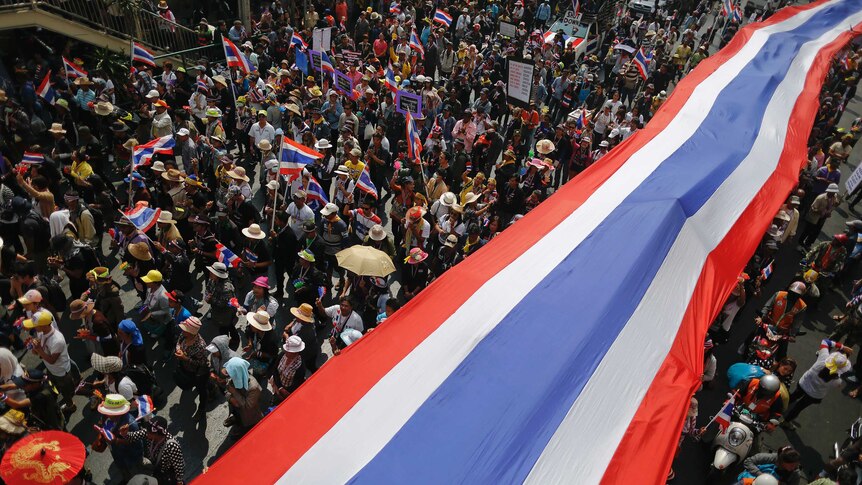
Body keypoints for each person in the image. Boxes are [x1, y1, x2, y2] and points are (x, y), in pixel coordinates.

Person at [781, 339, 853, 428]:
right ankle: (786, 422)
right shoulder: (837, 381)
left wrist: (843, 347)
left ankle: (780, 407)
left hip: (804, 383)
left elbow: (825, 342)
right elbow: (837, 384)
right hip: (814, 395)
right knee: (799, 407)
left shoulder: (824, 357)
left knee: (794, 396)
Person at [23, 311, 77, 414]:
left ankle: (70, 406)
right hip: (51, 369)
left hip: (61, 372)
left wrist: (39, 349)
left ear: (43, 325)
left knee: (66, 393)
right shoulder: (41, 333)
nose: (33, 327)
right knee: (53, 387)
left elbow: (52, 360)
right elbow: (39, 353)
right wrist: (34, 347)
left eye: (35, 325)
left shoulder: (57, 340)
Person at [120, 416, 186, 484]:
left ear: (156, 434)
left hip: (168, 474)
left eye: (149, 432)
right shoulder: (149, 432)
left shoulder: (172, 446)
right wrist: (124, 433)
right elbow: (133, 436)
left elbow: (179, 467)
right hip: (157, 469)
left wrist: (179, 481)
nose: (146, 432)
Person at [94, 394, 145, 481]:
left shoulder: (130, 424)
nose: (105, 413)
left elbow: (136, 442)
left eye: (107, 411)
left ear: (116, 413)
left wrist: (116, 440)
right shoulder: (106, 416)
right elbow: (103, 425)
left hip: (130, 457)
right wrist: (101, 436)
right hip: (117, 453)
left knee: (136, 476)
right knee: (123, 469)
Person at [174, 316, 209, 421]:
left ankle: (201, 409)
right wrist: (178, 348)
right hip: (186, 369)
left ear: (191, 332)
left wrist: (185, 358)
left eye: (184, 329)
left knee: (202, 390)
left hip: (198, 372)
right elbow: (178, 341)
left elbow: (201, 363)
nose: (182, 330)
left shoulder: (200, 346)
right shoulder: (184, 334)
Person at [223, 357, 262, 435]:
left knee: (248, 428)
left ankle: (243, 430)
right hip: (237, 410)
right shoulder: (233, 379)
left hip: (249, 416)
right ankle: (236, 420)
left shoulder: (254, 387)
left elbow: (247, 406)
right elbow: (227, 390)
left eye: (231, 373)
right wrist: (230, 398)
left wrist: (234, 392)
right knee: (238, 417)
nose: (228, 375)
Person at [270, 335, 307, 404]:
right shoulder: (282, 355)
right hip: (278, 384)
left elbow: (296, 385)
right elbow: (275, 370)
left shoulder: (300, 367)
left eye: (289, 351)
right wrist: (280, 387)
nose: (286, 352)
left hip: (288, 391)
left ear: (296, 352)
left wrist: (284, 392)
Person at [741, 447, 806, 485]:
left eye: (796, 465)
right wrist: (761, 475)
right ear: (783, 461)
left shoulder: (795, 474)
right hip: (752, 480)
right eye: (792, 465)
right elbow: (748, 462)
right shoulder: (770, 458)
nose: (794, 468)